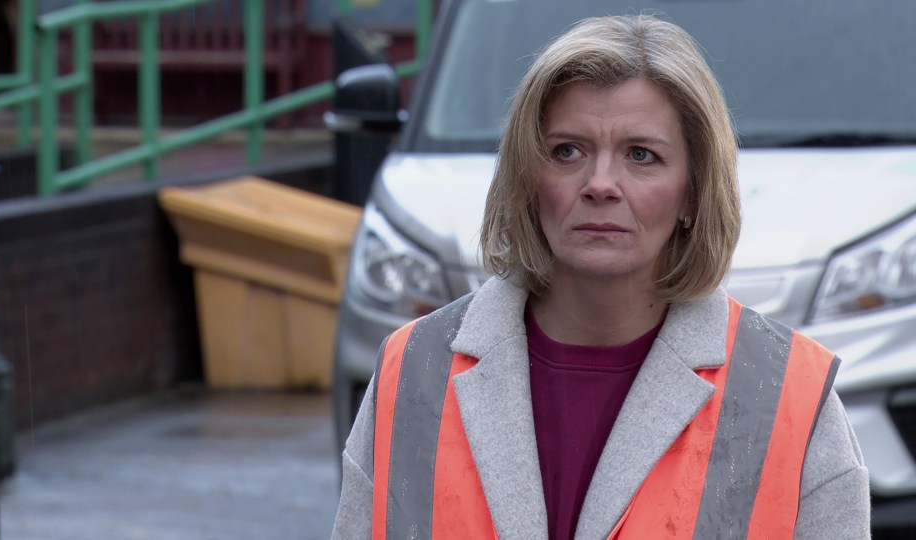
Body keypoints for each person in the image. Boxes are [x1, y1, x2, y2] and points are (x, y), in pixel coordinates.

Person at [332, 14, 869, 539]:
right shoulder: (413, 373)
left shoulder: (791, 395)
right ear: (526, 176)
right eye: (568, 151)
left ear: (694, 193)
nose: (600, 183)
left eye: (641, 155)